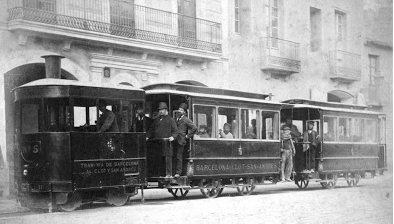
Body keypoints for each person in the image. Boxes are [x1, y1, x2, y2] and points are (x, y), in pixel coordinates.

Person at [146, 102, 179, 178]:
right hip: (158, 143)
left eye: (162, 110)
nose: (160, 111)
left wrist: (173, 137)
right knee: (159, 159)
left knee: (168, 158)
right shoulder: (156, 120)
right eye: (159, 110)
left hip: (167, 143)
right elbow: (151, 130)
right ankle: (159, 174)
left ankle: (168, 174)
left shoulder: (170, 120)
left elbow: (176, 131)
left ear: (166, 110)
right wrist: (147, 137)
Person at [174, 103, 197, 178]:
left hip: (181, 140)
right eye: (179, 109)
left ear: (184, 112)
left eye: (181, 110)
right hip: (175, 140)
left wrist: (187, 136)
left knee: (179, 156)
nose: (179, 111)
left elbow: (194, 127)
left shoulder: (186, 119)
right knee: (175, 156)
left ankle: (178, 172)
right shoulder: (176, 119)